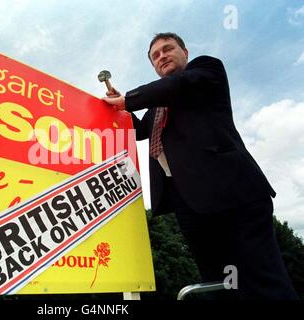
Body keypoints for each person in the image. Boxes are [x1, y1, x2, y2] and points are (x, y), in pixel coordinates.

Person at [102, 32, 298, 299]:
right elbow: (138, 131)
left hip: (233, 193)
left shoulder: (205, 70)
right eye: (155, 56)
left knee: (260, 278)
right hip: (187, 203)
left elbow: (179, 85)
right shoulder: (156, 105)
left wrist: (129, 99)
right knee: (218, 284)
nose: (162, 56)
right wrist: (123, 112)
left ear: (185, 52)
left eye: (167, 49)